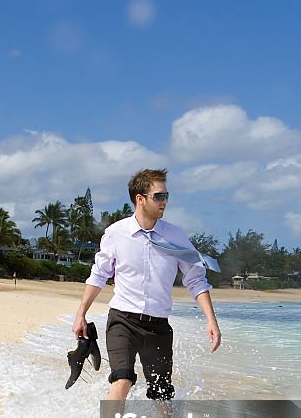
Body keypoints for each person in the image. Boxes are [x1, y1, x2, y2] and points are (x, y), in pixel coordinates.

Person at [72, 168, 221, 401]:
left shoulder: (176, 236)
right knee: (122, 379)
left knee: (162, 393)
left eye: (166, 196)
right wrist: (81, 314)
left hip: (158, 326)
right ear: (140, 199)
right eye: (159, 196)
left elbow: (195, 279)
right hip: (123, 320)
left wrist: (211, 320)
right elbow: (99, 275)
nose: (165, 202)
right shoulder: (116, 233)